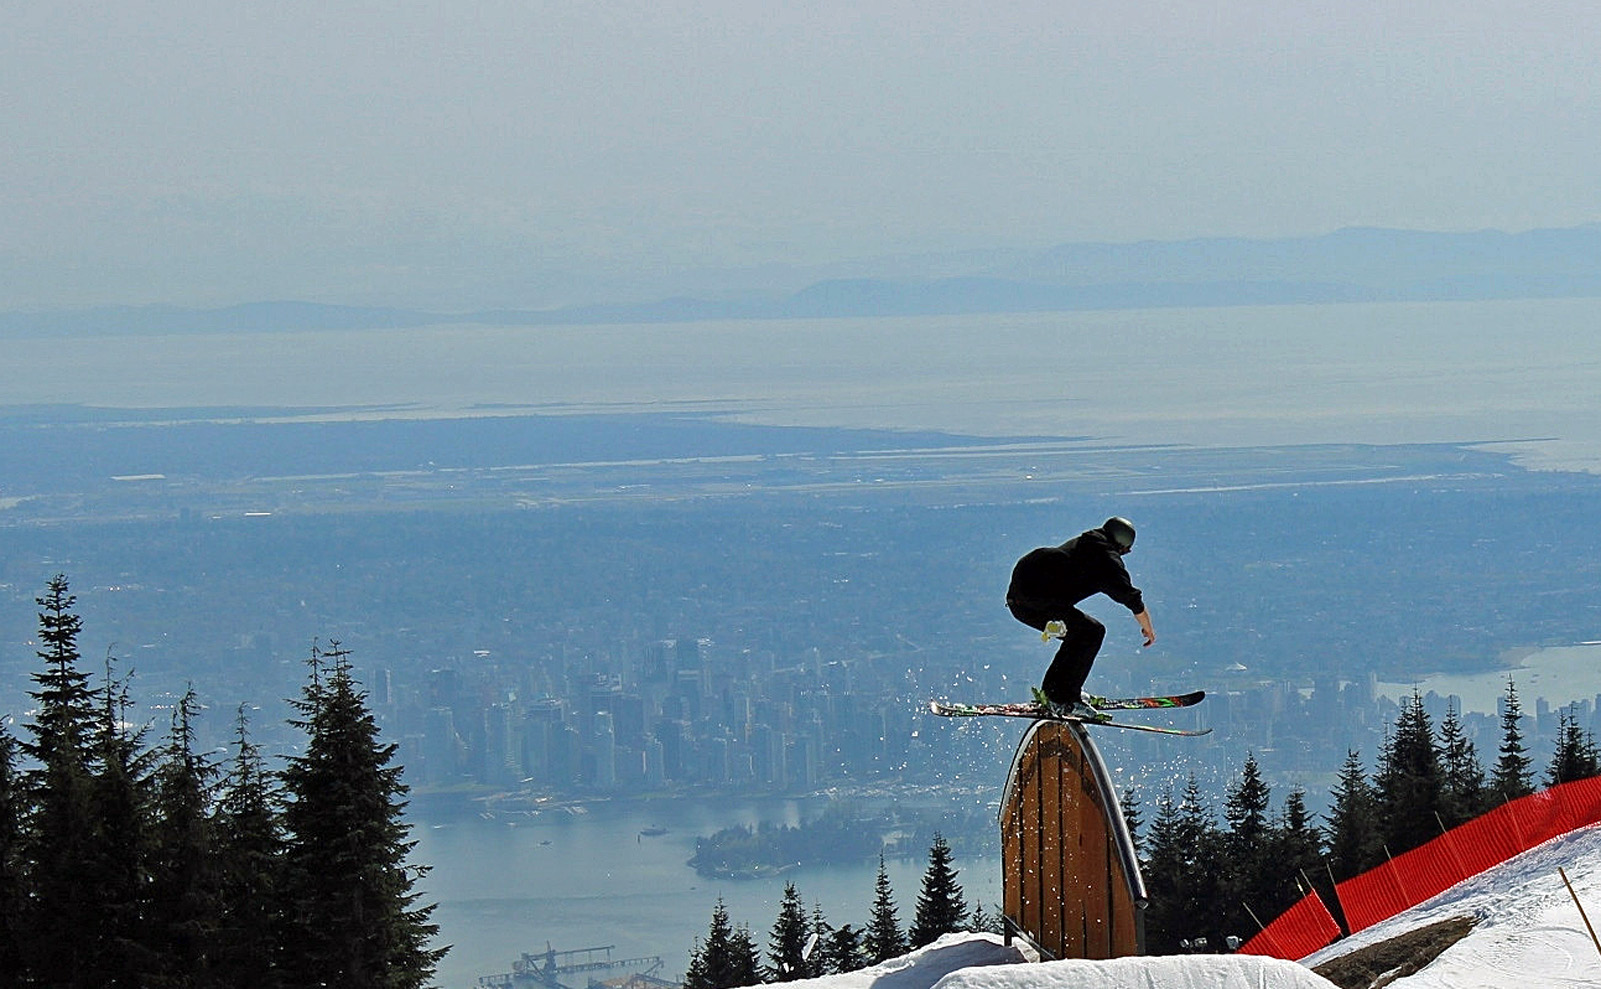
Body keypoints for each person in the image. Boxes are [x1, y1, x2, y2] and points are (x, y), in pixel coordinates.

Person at [1005, 516, 1156, 719]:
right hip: (1037, 604)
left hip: (1019, 601)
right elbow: (1132, 598)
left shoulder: (1088, 541)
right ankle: (1062, 699)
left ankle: (1055, 693)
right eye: (1126, 551)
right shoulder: (1107, 560)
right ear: (1121, 546)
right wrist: (1148, 629)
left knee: (1079, 634)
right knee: (1091, 633)